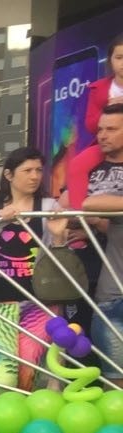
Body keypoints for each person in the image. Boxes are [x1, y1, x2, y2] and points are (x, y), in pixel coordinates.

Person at [0, 148, 64, 392]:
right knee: (3, 377)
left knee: (30, 375)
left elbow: (62, 257)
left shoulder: (49, 206)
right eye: (27, 170)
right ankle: (1, 423)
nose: (34, 176)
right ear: (9, 175)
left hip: (39, 301)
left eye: (39, 170)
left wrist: (59, 237)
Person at [82, 105, 123, 380]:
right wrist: (97, 220)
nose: (103, 135)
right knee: (115, 378)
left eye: (112, 129)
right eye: (100, 129)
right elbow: (82, 203)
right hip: (110, 289)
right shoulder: (90, 168)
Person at [66, 34, 123, 210]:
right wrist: (108, 110)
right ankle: (79, 216)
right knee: (77, 164)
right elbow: (91, 124)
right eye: (119, 58)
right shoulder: (98, 88)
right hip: (109, 144)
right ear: (111, 60)